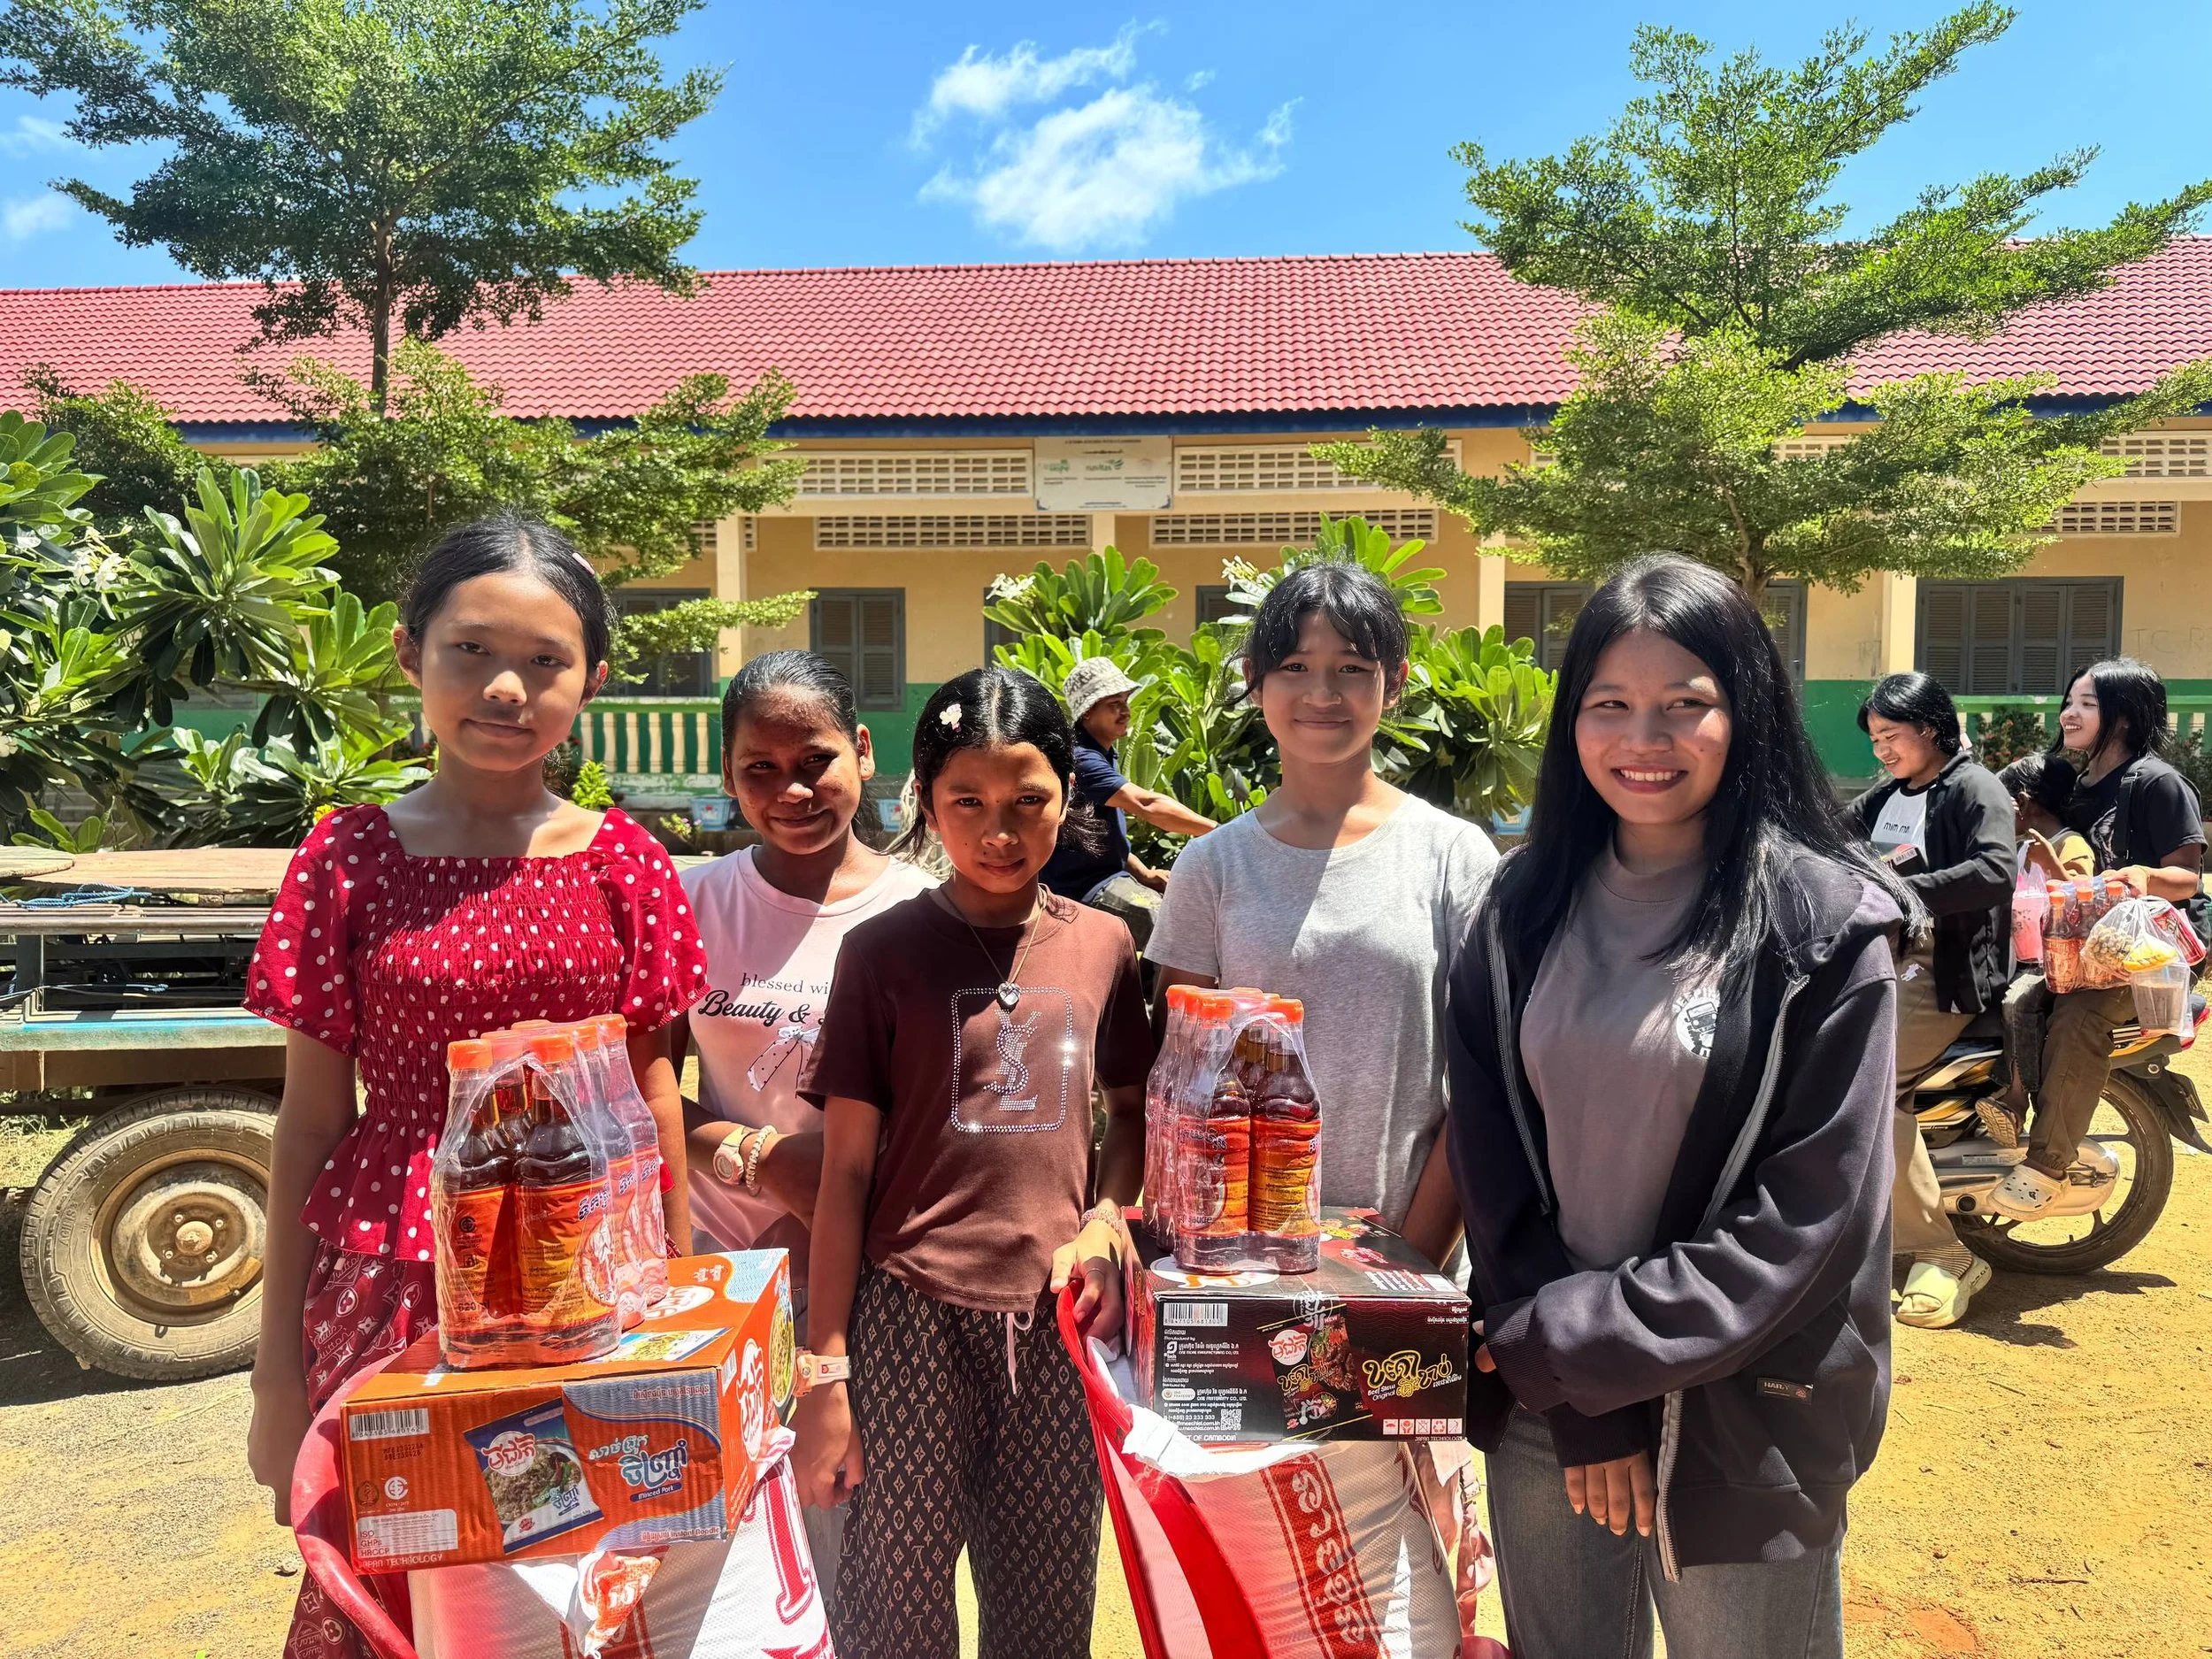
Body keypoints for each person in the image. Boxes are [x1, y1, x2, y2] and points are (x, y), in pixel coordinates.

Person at [242, 512, 707, 1659]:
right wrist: (271, 1374)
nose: (507, 687)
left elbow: (656, 1095)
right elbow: (307, 1121)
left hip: (595, 1273)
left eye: (545, 662)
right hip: (394, 1277)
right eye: (472, 650)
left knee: (586, 1572)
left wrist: (691, 1314)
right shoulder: (345, 857)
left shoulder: (626, 863)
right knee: (402, 1573)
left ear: (591, 679)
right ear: (410, 653)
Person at [1446, 554, 1915, 1659]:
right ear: (1572, 723)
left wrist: (1576, 1348)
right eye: (1608, 705)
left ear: (1741, 711)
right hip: (1548, 1410)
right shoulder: (1517, 910)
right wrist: (1580, 1395)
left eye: (1682, 706)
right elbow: (1492, 1166)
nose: (1641, 740)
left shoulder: (1824, 927)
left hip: (1744, 1409)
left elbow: (1808, 1218)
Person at [791, 666, 1154, 1659]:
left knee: (1044, 1620)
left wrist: (1105, 1219)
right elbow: (847, 1177)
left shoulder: (1107, 946)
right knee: (893, 1617)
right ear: (924, 802)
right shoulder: (881, 954)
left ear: (1066, 798)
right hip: (908, 1314)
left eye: (1028, 802)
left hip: (1058, 1325)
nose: (1000, 830)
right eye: (969, 803)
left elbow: (1129, 1115)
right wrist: (825, 1375)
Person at [673, 649, 935, 1614]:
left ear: (864, 752)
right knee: (720, 1536)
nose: (791, 789)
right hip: (715, 1268)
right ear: (729, 775)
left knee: (847, 1523)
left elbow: (944, 1119)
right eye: (759, 768)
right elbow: (642, 1081)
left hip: (868, 1275)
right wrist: (758, 1163)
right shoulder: (691, 902)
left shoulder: (918, 912)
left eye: (815, 759)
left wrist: (821, 1217)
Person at [1147, 563, 1495, 1269]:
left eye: (1352, 668)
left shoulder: (1453, 856)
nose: (1322, 693)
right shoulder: (1212, 867)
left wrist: (1409, 1261)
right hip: (1237, 1267)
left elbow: (1485, 1085)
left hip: (1403, 1258)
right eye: (1296, 665)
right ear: (1256, 679)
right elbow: (1182, 1080)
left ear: (1393, 682)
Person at [1992, 658, 2206, 1218]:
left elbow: (2188, 875)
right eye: (2070, 701)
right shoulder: (2078, 785)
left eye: (2087, 704)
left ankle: (2046, 1165)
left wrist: (2142, 877)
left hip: (2141, 950)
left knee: (2081, 1016)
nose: (2070, 713)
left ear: (2126, 717)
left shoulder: (2156, 782)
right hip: (2076, 939)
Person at [1847, 672, 2015, 1329]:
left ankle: (1944, 1251)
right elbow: (1828, 837)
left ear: (1931, 728)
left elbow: (1995, 870)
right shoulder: (1891, 795)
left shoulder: (1975, 788)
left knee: (1870, 1083)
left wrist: (1904, 894)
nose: (1882, 750)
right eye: (1875, 739)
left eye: (1892, 735)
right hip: (1888, 958)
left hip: (1945, 969)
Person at [1040, 655, 1216, 950]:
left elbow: (1105, 834)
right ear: (1087, 713)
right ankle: (1166, 998)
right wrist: (1222, 831)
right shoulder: (1082, 759)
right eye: (1113, 705)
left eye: (1124, 701)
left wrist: (1144, 873)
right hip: (1082, 889)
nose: (1125, 711)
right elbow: (1146, 804)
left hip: (1108, 877)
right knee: (1167, 924)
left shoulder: (1101, 753)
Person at [1975, 752, 2097, 1148]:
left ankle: (2016, 1098)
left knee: (2018, 1003)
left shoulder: (2069, 845)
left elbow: (2086, 904)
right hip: (2023, 958)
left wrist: (2052, 864)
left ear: (2023, 804)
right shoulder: (2020, 848)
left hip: (2058, 963)